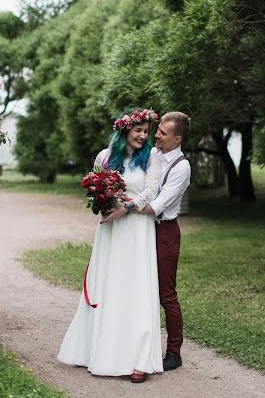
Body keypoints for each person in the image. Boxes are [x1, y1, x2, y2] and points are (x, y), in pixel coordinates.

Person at [57, 108, 163, 383]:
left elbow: (152, 191)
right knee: (108, 283)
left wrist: (127, 207)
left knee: (135, 286)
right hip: (111, 230)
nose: (143, 135)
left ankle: (138, 358)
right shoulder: (104, 157)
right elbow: (95, 190)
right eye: (138, 130)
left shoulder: (151, 156)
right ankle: (98, 351)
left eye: (146, 131)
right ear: (124, 129)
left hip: (137, 229)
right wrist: (106, 203)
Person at [103, 111, 191, 372]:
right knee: (138, 288)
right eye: (158, 130)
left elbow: (157, 204)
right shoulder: (151, 155)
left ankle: (174, 351)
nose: (156, 135)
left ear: (177, 139)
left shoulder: (181, 167)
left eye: (163, 133)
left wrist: (123, 209)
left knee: (166, 293)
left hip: (164, 231)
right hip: (141, 232)